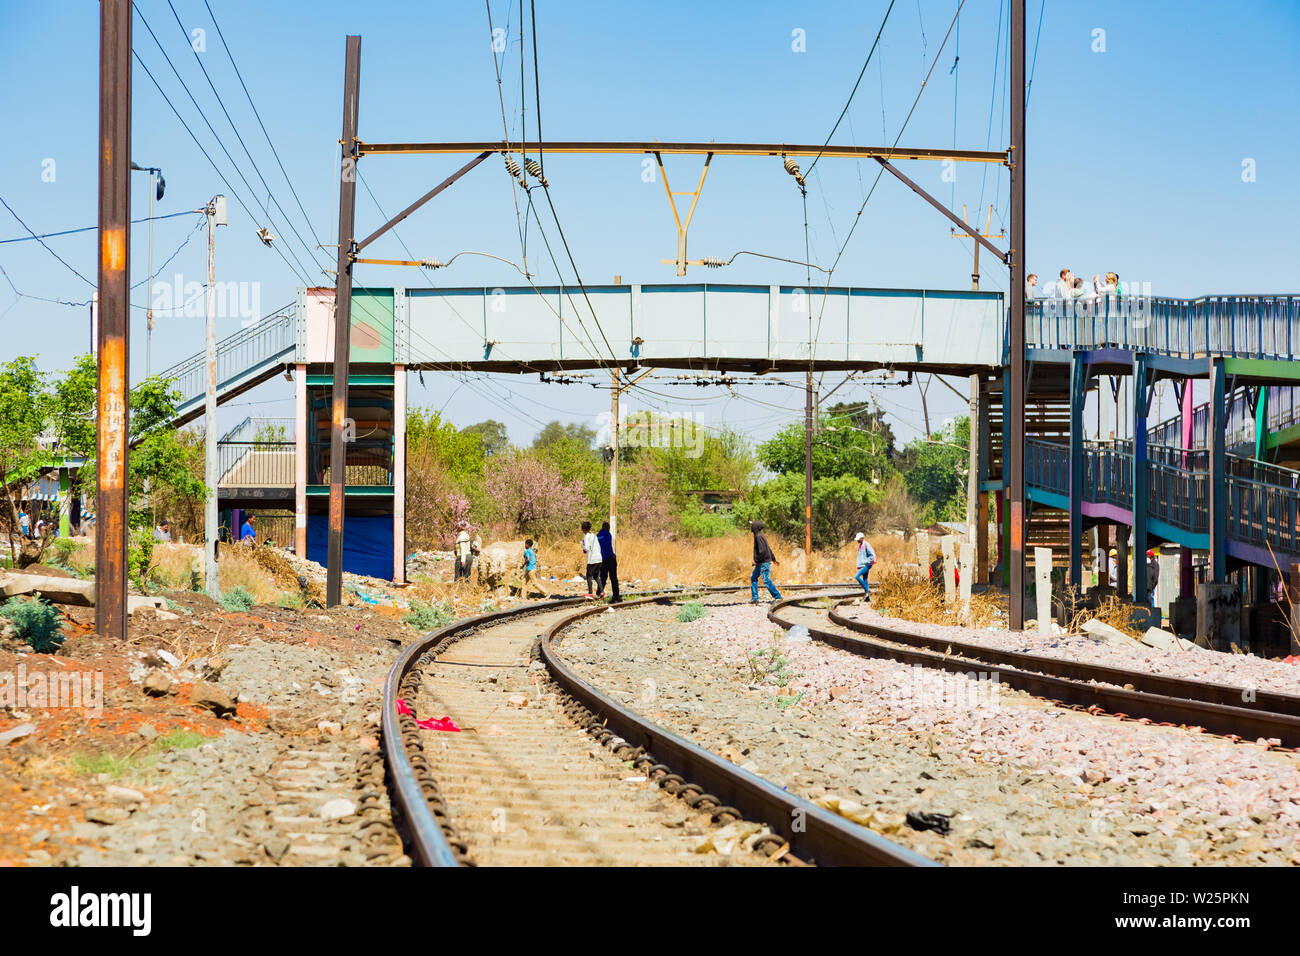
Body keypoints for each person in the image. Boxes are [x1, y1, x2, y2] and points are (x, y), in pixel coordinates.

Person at [749, 520, 782, 603]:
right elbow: (768, 549)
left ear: (755, 527)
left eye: (752, 525)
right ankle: (755, 598)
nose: (751, 527)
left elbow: (762, 551)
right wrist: (774, 559)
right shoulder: (760, 535)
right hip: (762, 562)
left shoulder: (758, 536)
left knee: (766, 580)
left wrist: (756, 561)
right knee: (753, 577)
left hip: (763, 562)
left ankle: (778, 597)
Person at [596, 520, 620, 602]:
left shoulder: (597, 535)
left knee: (603, 577)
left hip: (601, 559)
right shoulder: (607, 534)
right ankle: (616, 596)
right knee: (613, 578)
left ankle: (598, 593)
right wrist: (612, 555)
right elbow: (608, 545)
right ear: (607, 528)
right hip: (609, 558)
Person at [581, 520, 602, 598]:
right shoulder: (594, 535)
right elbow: (599, 546)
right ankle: (602, 591)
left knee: (589, 575)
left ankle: (590, 593)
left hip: (592, 559)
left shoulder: (586, 537)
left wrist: (583, 546)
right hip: (599, 558)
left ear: (583, 529)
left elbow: (586, 548)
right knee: (596, 576)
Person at [853, 532, 876, 598]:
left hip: (866, 565)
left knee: (857, 576)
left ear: (862, 538)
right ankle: (867, 598)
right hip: (863, 565)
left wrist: (866, 562)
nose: (857, 540)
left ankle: (867, 590)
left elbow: (872, 555)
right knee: (865, 579)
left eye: (858, 539)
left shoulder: (866, 544)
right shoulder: (861, 545)